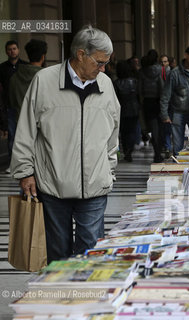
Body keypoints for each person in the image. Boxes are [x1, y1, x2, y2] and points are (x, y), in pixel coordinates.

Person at [10, 25, 121, 263]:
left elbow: (113, 132)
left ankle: (85, 298)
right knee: (57, 254)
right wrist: (25, 172)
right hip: (53, 185)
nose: (104, 69)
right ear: (81, 54)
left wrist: (109, 170)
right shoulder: (44, 81)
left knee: (90, 252)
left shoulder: (105, 84)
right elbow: (26, 131)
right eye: (99, 62)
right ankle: (60, 297)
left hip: (95, 186)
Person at [160, 46, 189, 155]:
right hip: (178, 112)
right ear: (186, 56)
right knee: (178, 145)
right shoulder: (175, 73)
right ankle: (178, 167)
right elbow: (166, 94)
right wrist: (165, 114)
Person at [0, 40, 27, 172]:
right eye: (9, 49)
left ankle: (25, 164)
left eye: (14, 48)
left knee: (24, 136)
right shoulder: (2, 68)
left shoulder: (25, 66)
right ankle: (12, 164)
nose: (12, 51)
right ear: (6, 51)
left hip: (23, 106)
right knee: (12, 136)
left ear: (18, 50)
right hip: (10, 107)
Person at [8, 39, 48, 124]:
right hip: (41, 126)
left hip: (20, 126)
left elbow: (11, 104)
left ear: (28, 56)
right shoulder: (48, 78)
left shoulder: (14, 78)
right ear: (43, 57)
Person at [139, 49, 164, 163]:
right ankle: (159, 152)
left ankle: (156, 152)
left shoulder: (142, 71)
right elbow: (162, 86)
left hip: (148, 101)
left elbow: (140, 88)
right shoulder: (160, 70)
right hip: (159, 101)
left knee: (154, 128)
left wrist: (141, 100)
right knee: (161, 128)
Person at [113, 60, 140, 162]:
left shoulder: (116, 83)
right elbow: (138, 95)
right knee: (132, 131)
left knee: (124, 133)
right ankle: (130, 150)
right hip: (134, 109)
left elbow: (115, 98)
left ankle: (126, 151)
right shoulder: (134, 81)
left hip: (122, 110)